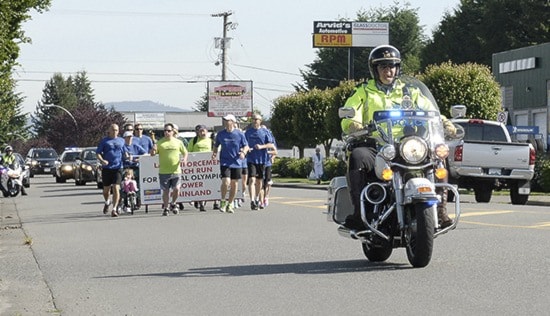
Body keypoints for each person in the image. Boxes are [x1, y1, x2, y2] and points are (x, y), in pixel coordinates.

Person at [340, 44, 455, 231]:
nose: (388, 71)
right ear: (375, 69)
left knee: (438, 154)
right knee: (357, 156)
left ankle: (441, 210)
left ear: (397, 68)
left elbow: (430, 110)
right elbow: (350, 113)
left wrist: (445, 123)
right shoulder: (364, 91)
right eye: (383, 66)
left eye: (392, 66)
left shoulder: (409, 91)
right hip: (376, 145)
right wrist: (354, 124)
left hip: (408, 145)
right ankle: (360, 214)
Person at [212, 114, 249, 214]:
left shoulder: (239, 134)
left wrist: (243, 153)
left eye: (228, 120)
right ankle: (223, 200)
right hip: (225, 161)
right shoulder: (221, 134)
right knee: (226, 182)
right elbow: (216, 145)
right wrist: (214, 153)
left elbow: (246, 146)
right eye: (224, 120)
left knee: (234, 183)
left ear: (232, 122)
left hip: (236, 162)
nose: (225, 122)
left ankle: (230, 203)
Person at [152, 123, 188, 216]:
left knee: (176, 189)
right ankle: (166, 207)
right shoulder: (160, 142)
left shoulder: (178, 142)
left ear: (173, 132)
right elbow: (152, 154)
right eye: (165, 131)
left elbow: (185, 152)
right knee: (166, 191)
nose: (166, 132)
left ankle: (173, 203)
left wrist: (184, 159)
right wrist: (153, 149)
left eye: (168, 131)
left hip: (176, 170)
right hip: (164, 171)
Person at [244, 113, 274, 210]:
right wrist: (246, 149)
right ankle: (252, 200)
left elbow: (271, 145)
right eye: (253, 119)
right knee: (252, 179)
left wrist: (262, 146)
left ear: (260, 121)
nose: (255, 121)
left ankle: (257, 198)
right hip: (251, 159)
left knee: (259, 181)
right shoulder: (248, 132)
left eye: (257, 119)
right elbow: (244, 144)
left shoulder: (265, 132)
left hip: (262, 159)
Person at [96, 124, 126, 217]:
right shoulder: (104, 141)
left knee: (116, 187)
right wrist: (102, 160)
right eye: (113, 130)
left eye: (116, 130)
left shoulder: (121, 140)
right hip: (107, 168)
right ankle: (107, 201)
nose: (115, 132)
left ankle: (114, 208)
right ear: (109, 130)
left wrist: (128, 156)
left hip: (118, 167)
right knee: (106, 190)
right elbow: (98, 153)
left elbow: (125, 151)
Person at [187, 124, 212, 212]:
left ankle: (204, 202)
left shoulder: (211, 141)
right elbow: (188, 153)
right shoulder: (193, 141)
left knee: (206, 184)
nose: (202, 133)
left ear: (207, 131)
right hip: (196, 167)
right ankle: (200, 202)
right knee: (198, 185)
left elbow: (216, 152)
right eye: (200, 131)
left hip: (208, 166)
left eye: (203, 131)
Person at [122, 130, 147, 208]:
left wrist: (138, 159)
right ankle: (126, 202)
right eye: (128, 137)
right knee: (125, 183)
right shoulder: (122, 146)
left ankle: (138, 201)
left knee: (137, 183)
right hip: (126, 167)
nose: (129, 139)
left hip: (135, 167)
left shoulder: (135, 145)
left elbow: (145, 153)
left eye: (131, 137)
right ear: (124, 138)